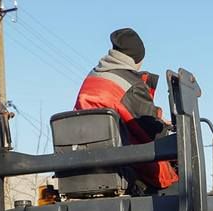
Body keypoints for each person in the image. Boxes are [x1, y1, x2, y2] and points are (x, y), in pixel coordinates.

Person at [74, 28, 178, 192]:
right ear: (137, 59)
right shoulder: (131, 84)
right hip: (123, 166)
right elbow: (151, 133)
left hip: (84, 164)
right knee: (178, 184)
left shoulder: (93, 76)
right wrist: (164, 127)